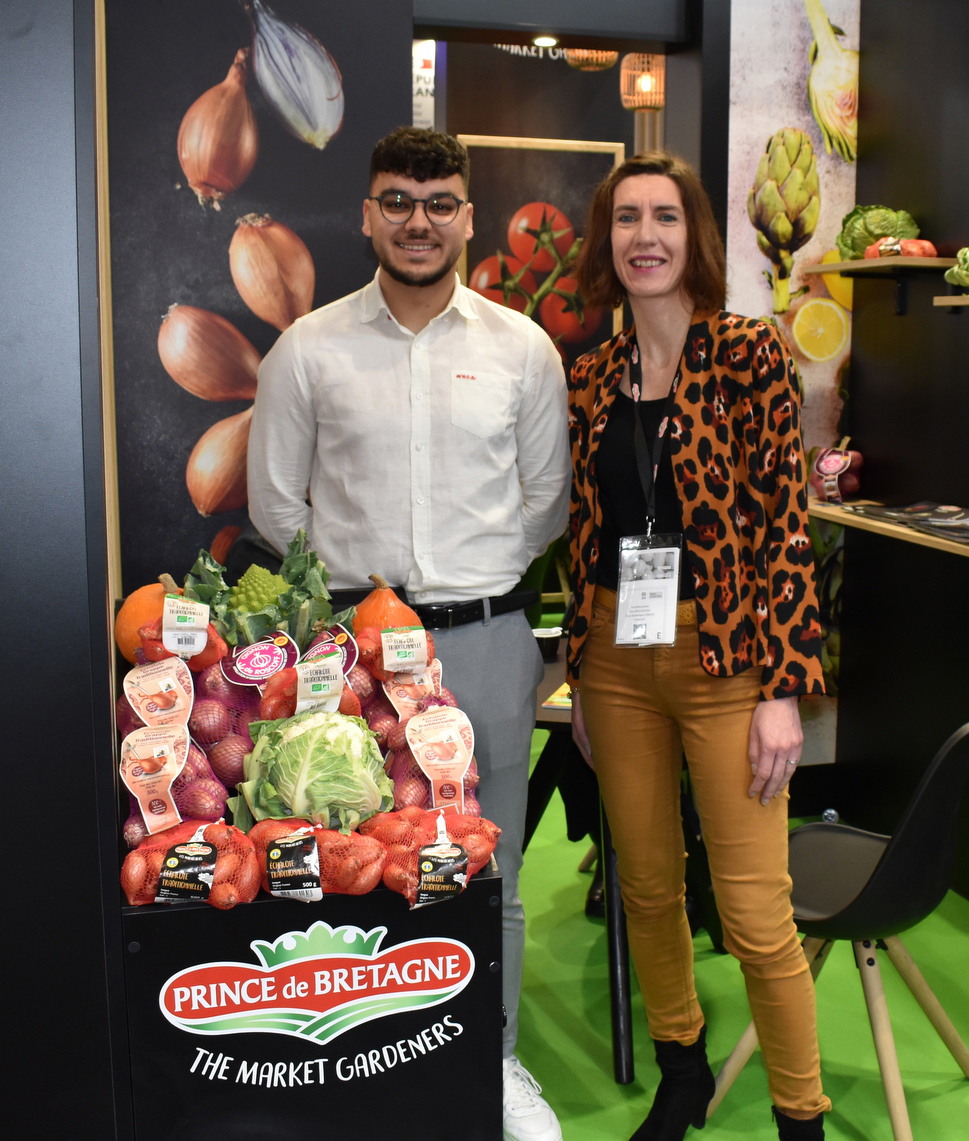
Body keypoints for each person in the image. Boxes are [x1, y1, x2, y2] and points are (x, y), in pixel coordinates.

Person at [247, 127, 568, 1141]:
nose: (416, 222)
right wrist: (365, 602)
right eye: (397, 201)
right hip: (351, 660)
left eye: (437, 204)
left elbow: (546, 503)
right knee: (350, 863)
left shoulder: (522, 348)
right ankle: (361, 1067)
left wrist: (467, 583)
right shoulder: (309, 348)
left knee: (490, 871)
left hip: (486, 642)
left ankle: (493, 1061)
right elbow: (274, 505)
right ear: (367, 214)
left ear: (468, 217)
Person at [565, 151, 831, 1140]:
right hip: (614, 658)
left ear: (695, 236)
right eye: (626, 217)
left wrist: (782, 689)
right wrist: (580, 674)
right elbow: (587, 532)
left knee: (756, 914)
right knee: (645, 887)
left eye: (665, 217)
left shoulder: (749, 353)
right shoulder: (592, 375)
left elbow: (786, 526)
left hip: (726, 662)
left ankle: (799, 1114)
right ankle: (682, 1071)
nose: (645, 236)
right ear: (607, 241)